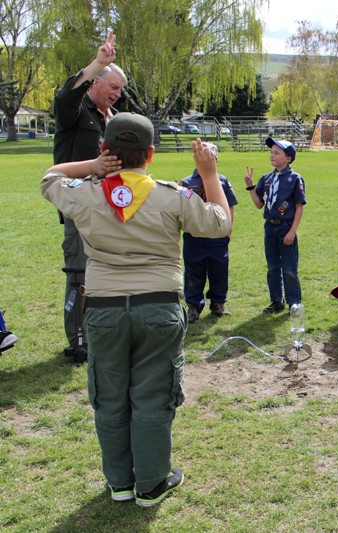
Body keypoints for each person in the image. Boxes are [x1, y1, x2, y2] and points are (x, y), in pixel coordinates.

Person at [41, 113, 231, 507]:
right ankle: (150, 483)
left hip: (105, 309)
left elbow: (50, 176)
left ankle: (120, 483)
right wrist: (209, 173)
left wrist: (94, 167)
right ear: (150, 154)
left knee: (110, 397)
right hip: (158, 307)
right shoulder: (169, 194)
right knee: (152, 395)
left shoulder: (86, 192)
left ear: (104, 149)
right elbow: (219, 224)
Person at [53, 31, 127, 363]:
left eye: (121, 90)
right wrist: (99, 61)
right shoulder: (76, 111)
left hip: (107, 204)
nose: (117, 94)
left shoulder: (106, 119)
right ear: (95, 83)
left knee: (108, 266)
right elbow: (64, 97)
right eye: (113, 87)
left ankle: (103, 330)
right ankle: (77, 340)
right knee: (79, 272)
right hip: (78, 204)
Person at [244, 138, 306, 313]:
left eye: (277, 152)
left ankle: (294, 303)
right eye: (271, 152)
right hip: (270, 227)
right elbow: (259, 204)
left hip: (286, 227)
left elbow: (299, 206)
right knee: (272, 267)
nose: (272, 155)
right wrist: (250, 186)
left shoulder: (295, 179)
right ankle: (276, 301)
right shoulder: (267, 178)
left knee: (289, 268)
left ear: (288, 158)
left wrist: (292, 231)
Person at [180, 143, 239, 323]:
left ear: (216, 160)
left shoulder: (222, 181)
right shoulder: (187, 183)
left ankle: (218, 303)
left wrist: (228, 231)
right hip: (194, 237)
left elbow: (229, 206)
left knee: (219, 270)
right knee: (193, 271)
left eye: (210, 155)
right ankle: (193, 306)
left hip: (217, 238)